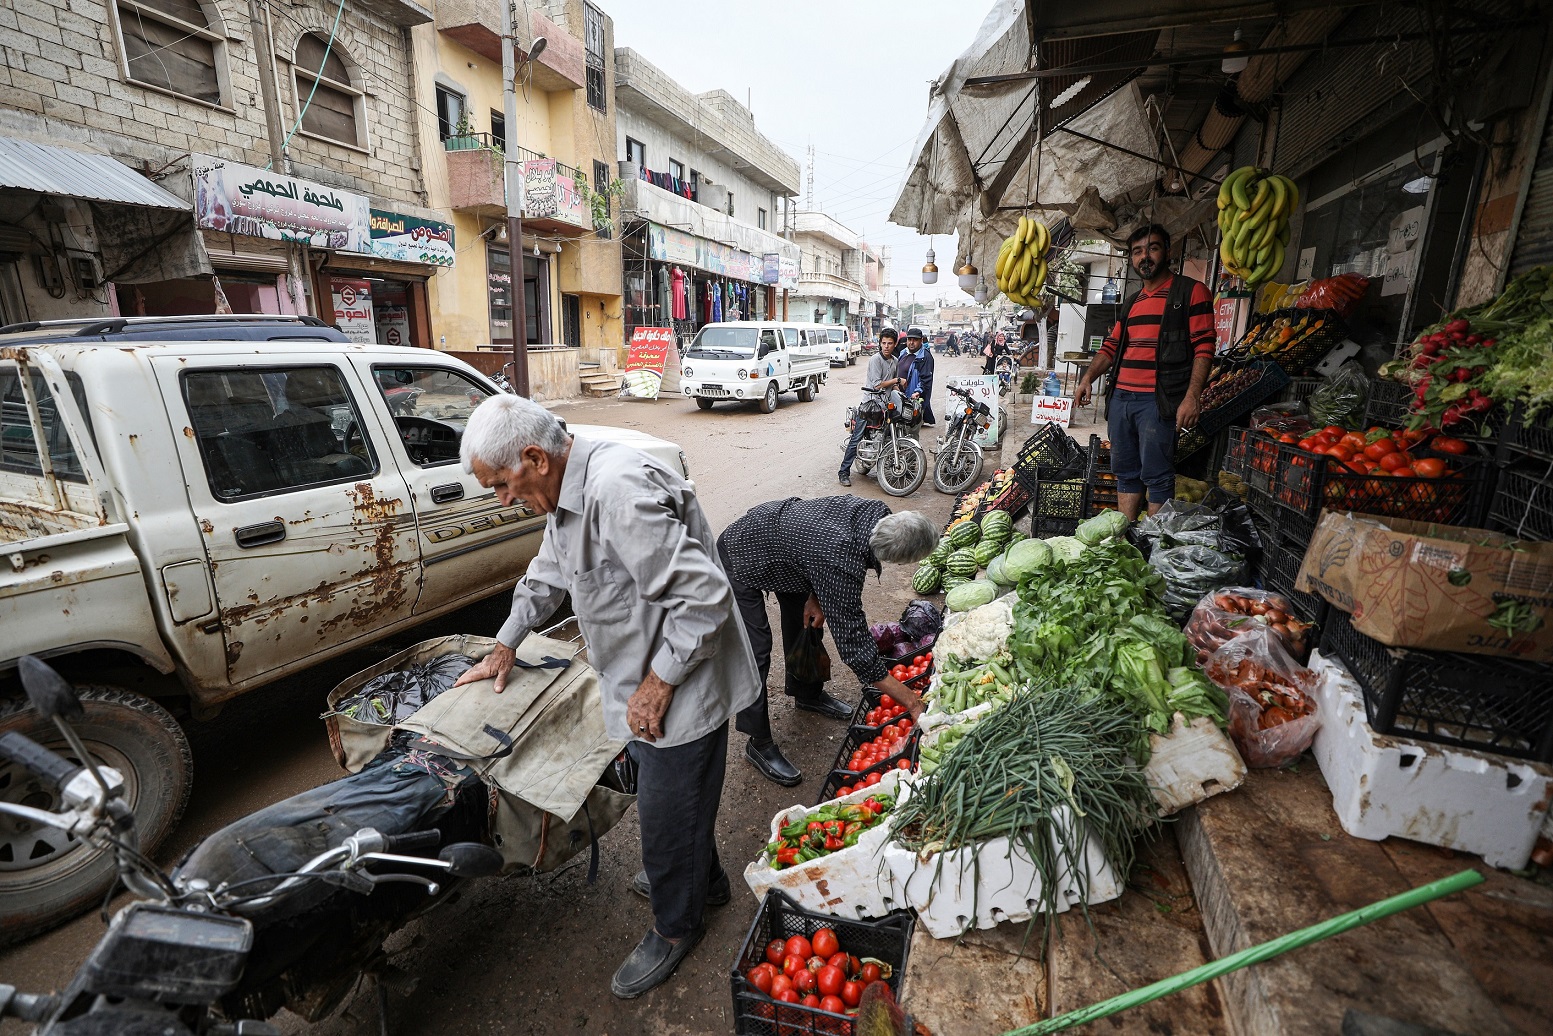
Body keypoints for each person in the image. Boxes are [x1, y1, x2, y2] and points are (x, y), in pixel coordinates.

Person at [452, 394, 759, 1000]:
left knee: (665, 820)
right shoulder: (565, 488)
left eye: (501, 485)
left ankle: (677, 928)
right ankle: (708, 883)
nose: (502, 500)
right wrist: (506, 643)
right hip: (647, 682)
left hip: (680, 687)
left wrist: (657, 683)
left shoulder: (616, 493)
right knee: (676, 803)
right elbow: (548, 574)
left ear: (534, 457)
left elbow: (703, 598)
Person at [719, 498, 936, 785]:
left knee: (805, 622)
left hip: (790, 551)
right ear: (893, 557)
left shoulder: (876, 515)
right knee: (755, 649)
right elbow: (856, 649)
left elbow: (818, 554)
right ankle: (758, 741)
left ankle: (806, 693)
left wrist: (816, 596)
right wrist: (911, 701)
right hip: (742, 552)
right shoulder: (841, 559)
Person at [1074, 224, 1214, 519]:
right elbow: (1111, 347)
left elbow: (1204, 347)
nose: (1144, 257)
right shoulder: (1132, 302)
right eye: (1137, 251)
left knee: (1158, 475)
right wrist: (1087, 377)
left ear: (1167, 251)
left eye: (1152, 248)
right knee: (1125, 473)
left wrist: (1192, 397)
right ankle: (1127, 537)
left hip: (1157, 401)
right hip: (1121, 398)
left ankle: (1153, 544)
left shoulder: (1191, 292)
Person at [838, 328, 907, 487]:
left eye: (890, 343)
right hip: (870, 405)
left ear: (895, 343)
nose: (886, 346)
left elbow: (892, 386)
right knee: (856, 438)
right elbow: (877, 385)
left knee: (892, 432)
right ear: (880, 343)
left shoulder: (895, 361)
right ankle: (843, 472)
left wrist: (902, 392)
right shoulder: (875, 359)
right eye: (884, 343)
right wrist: (897, 380)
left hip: (885, 405)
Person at [904, 326, 936, 425]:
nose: (911, 342)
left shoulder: (925, 357)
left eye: (915, 340)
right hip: (901, 396)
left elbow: (926, 379)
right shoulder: (903, 353)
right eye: (909, 339)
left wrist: (918, 391)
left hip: (914, 398)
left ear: (921, 341)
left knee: (911, 431)